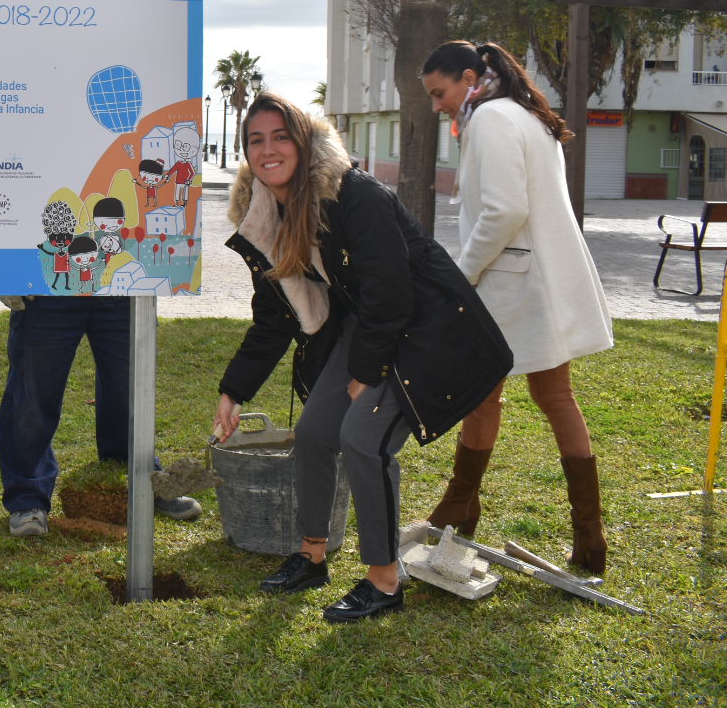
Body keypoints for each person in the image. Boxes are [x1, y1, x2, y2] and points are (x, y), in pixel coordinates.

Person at [214, 92, 511, 622]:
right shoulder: (265, 215)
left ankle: (384, 580)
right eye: (256, 140)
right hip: (367, 327)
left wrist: (364, 375)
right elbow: (274, 317)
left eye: (281, 136)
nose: (269, 149)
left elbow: (391, 293)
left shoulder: (356, 194)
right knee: (313, 434)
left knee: (362, 439)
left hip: (424, 328)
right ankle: (312, 554)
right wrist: (234, 389)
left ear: (304, 143)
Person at [419, 41, 613, 573]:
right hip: (538, 280)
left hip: (513, 283)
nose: (437, 105)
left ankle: (459, 509)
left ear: (467, 77)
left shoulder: (490, 118)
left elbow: (505, 211)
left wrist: (462, 276)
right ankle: (588, 538)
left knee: (486, 397)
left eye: (440, 92)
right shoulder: (525, 115)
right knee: (553, 398)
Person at [0, 294, 204, 537]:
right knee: (32, 397)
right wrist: (4, 276)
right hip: (45, 290)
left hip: (125, 289)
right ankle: (27, 499)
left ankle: (140, 484)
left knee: (132, 389)